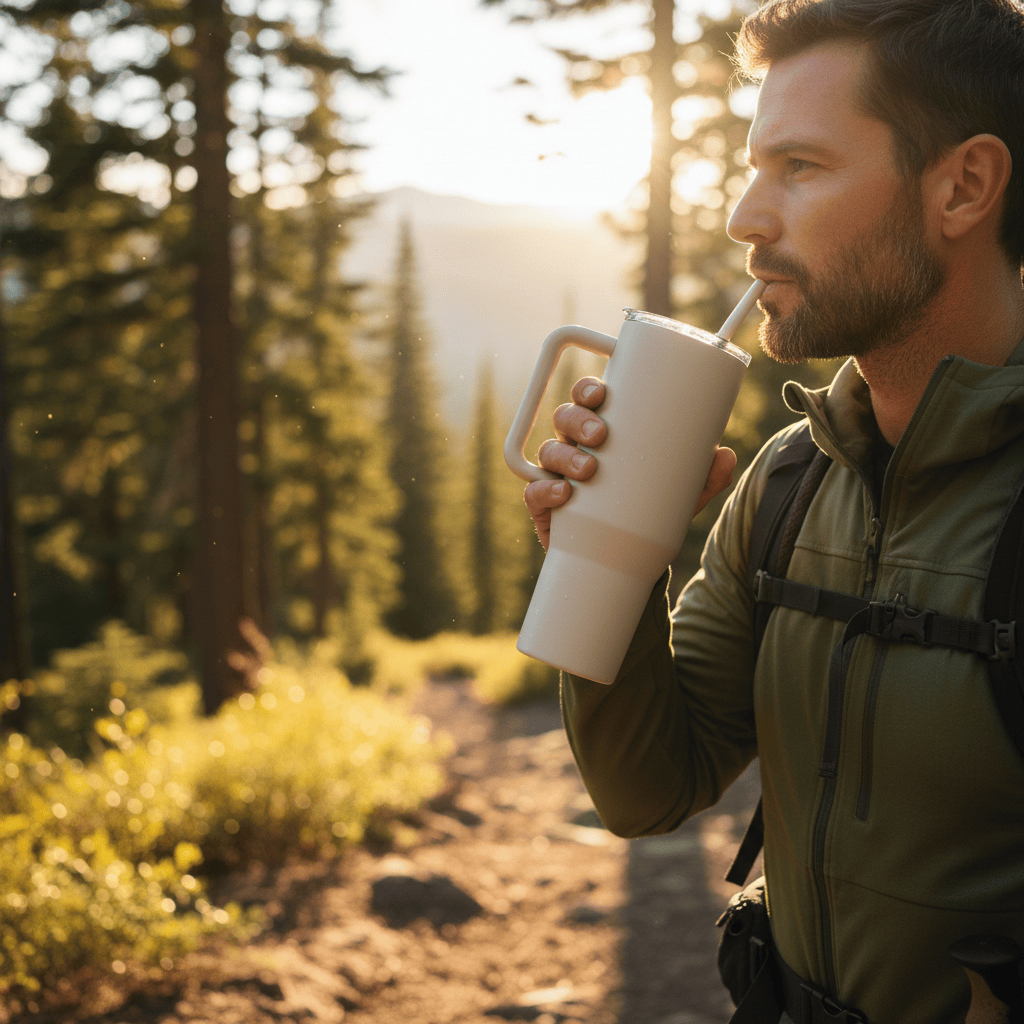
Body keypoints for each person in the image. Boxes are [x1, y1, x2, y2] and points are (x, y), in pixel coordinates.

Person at [521, 1, 1024, 1021]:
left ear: (964, 187)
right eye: (754, 168)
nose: (745, 218)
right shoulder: (792, 479)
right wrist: (607, 554)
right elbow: (647, 787)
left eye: (799, 166)